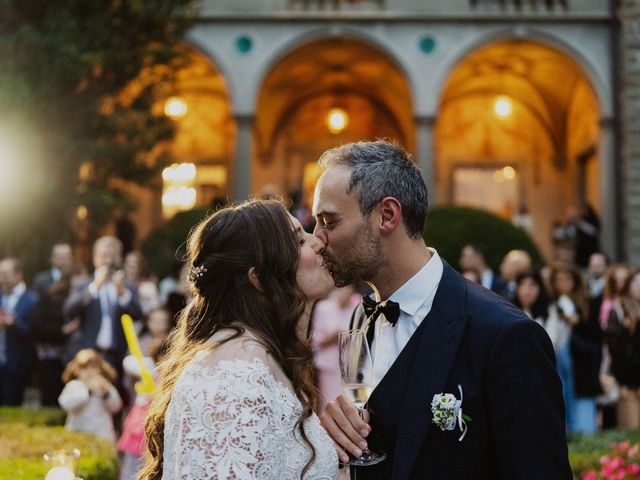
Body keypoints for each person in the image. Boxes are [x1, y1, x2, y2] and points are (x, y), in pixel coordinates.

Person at [312, 140, 570, 479]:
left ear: (387, 216)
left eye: (329, 222)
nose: (317, 238)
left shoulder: (505, 336)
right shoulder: (363, 316)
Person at [139, 200, 338, 480]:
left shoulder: (260, 357)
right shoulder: (236, 376)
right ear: (259, 279)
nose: (317, 240)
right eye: (299, 240)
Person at [64, 236, 142, 374]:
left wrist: (123, 294)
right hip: (87, 355)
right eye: (104, 255)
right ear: (95, 258)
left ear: (119, 259)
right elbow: (69, 311)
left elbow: (138, 315)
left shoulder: (127, 286)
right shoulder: (84, 285)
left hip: (115, 356)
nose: (108, 260)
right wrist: (94, 287)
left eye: (112, 255)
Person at [311, 285, 361, 411]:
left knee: (348, 401)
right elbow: (315, 340)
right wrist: (332, 337)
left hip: (349, 364)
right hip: (329, 366)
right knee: (328, 400)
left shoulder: (356, 307)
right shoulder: (324, 307)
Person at [58, 348, 123, 443]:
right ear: (77, 370)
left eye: (93, 367)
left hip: (101, 434)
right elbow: (65, 404)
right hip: (78, 432)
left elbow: (116, 406)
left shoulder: (105, 385)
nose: (89, 371)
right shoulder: (74, 385)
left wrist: (106, 394)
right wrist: (88, 391)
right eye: (85, 368)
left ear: (100, 369)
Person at [0, 257, 38, 406]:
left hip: (16, 365)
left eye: (5, 274)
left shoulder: (32, 299)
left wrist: (13, 323)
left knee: (11, 406)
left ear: (18, 275)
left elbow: (35, 333)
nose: (1, 279)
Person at [605, 269, 640, 429]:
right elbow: (614, 348)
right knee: (630, 430)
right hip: (627, 381)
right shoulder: (618, 310)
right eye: (636, 282)